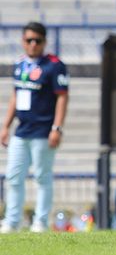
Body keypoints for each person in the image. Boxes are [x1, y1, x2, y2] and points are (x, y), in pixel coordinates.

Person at [1, 22, 69, 233]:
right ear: (23, 41)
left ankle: (40, 221)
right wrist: (5, 126)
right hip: (22, 130)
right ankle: (12, 221)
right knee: (13, 176)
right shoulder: (20, 64)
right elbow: (15, 96)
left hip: (43, 130)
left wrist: (57, 127)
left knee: (42, 176)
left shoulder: (54, 65)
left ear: (44, 42)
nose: (32, 45)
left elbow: (62, 97)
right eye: (28, 40)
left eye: (37, 41)